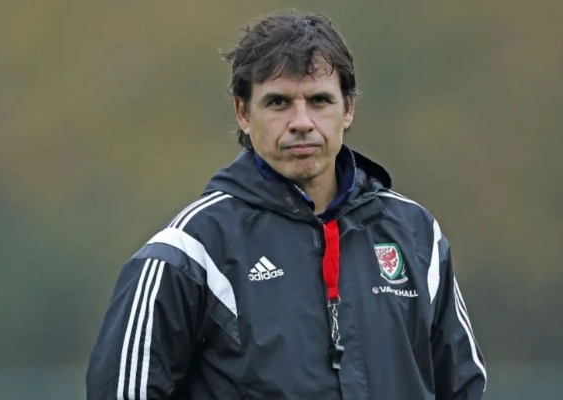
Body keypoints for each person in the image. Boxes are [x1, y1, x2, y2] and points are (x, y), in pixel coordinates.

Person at [86, 9, 487, 400]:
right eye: (278, 103)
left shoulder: (416, 234)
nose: (301, 122)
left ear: (348, 109)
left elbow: (463, 388)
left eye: (319, 101)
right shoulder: (191, 250)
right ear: (243, 113)